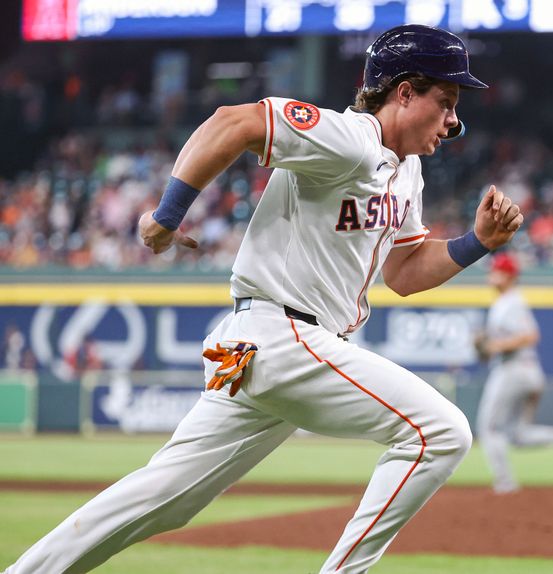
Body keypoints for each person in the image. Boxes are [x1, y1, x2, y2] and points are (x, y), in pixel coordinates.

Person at [5, 25, 524, 574]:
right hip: (285, 337)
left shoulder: (408, 171)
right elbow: (234, 122)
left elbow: (405, 272)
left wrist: (478, 244)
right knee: (441, 431)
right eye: (445, 101)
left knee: (164, 499)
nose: (453, 121)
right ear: (403, 91)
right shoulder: (352, 139)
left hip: (264, 352)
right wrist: (166, 215)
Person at [475, 252, 553, 494]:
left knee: (489, 428)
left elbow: (530, 335)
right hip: (528, 372)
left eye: (496, 271)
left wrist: (494, 345)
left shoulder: (511, 302)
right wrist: (489, 345)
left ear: (509, 276)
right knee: (517, 434)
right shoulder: (506, 302)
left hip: (513, 371)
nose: (491, 275)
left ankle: (505, 483)